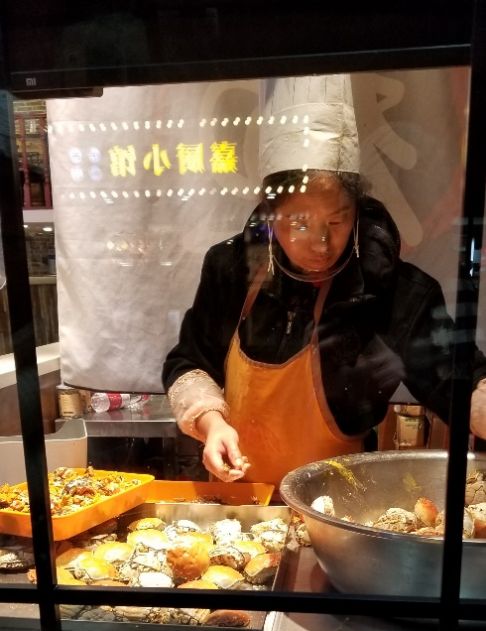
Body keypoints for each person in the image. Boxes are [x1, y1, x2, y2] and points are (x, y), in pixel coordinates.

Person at [162, 76, 486, 486]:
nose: (321, 244)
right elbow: (189, 362)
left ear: (357, 210)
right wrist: (212, 425)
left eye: (336, 221)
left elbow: (455, 378)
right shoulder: (231, 268)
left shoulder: (391, 288)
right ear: (270, 214)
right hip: (240, 499)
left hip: (341, 502)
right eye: (299, 223)